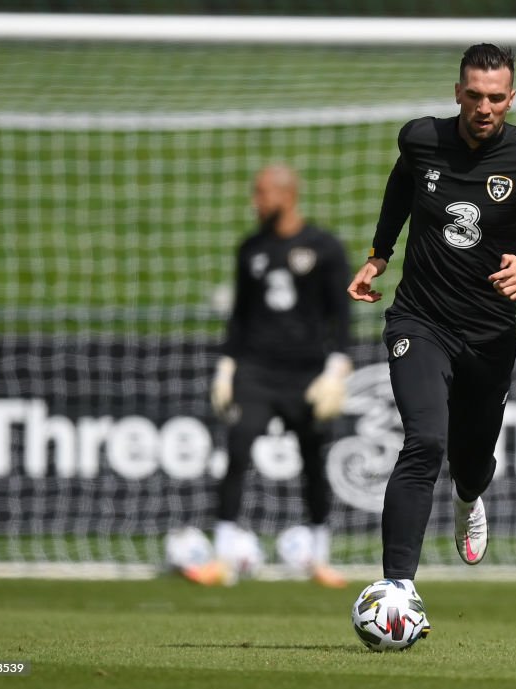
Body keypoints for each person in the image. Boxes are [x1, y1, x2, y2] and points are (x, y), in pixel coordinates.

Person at [347, 45, 516, 600]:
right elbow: (400, 186)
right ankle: (397, 588)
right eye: (475, 95)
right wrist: (379, 253)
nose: (485, 107)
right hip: (420, 321)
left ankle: (467, 499)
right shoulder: (420, 139)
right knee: (424, 441)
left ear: (512, 98)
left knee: (471, 462)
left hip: (488, 337)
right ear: (458, 92)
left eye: (497, 98)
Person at [202, 163, 352, 589]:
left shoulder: (324, 247)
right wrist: (226, 367)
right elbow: (239, 318)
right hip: (256, 371)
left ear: (287, 195)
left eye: (261, 193)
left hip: (305, 373)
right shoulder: (250, 248)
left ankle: (319, 556)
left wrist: (336, 369)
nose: (256, 202)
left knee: (313, 459)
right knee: (237, 447)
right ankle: (223, 554)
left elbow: (340, 318)